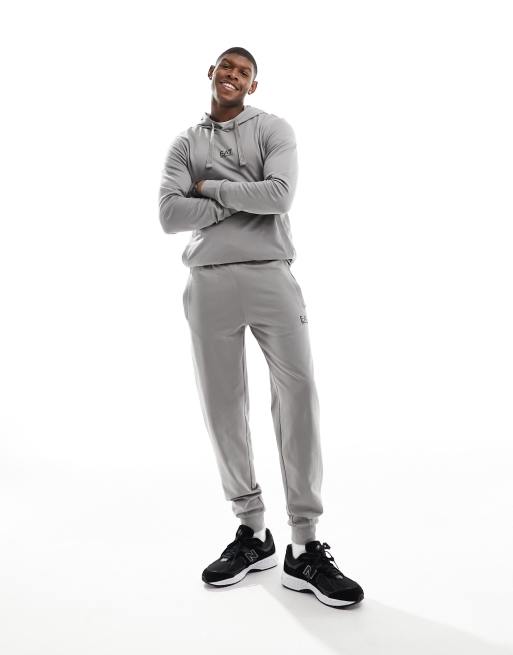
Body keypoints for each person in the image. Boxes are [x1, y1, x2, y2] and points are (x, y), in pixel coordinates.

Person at [158, 46, 364, 608]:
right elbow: (169, 215)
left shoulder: (274, 128)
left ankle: (305, 544)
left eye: (244, 71)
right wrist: (242, 196)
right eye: (226, 66)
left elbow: (280, 195)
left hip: (271, 274)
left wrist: (208, 188)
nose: (233, 75)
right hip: (207, 283)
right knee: (222, 404)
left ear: (253, 84)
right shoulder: (185, 143)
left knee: (298, 394)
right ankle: (252, 533)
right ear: (211, 73)